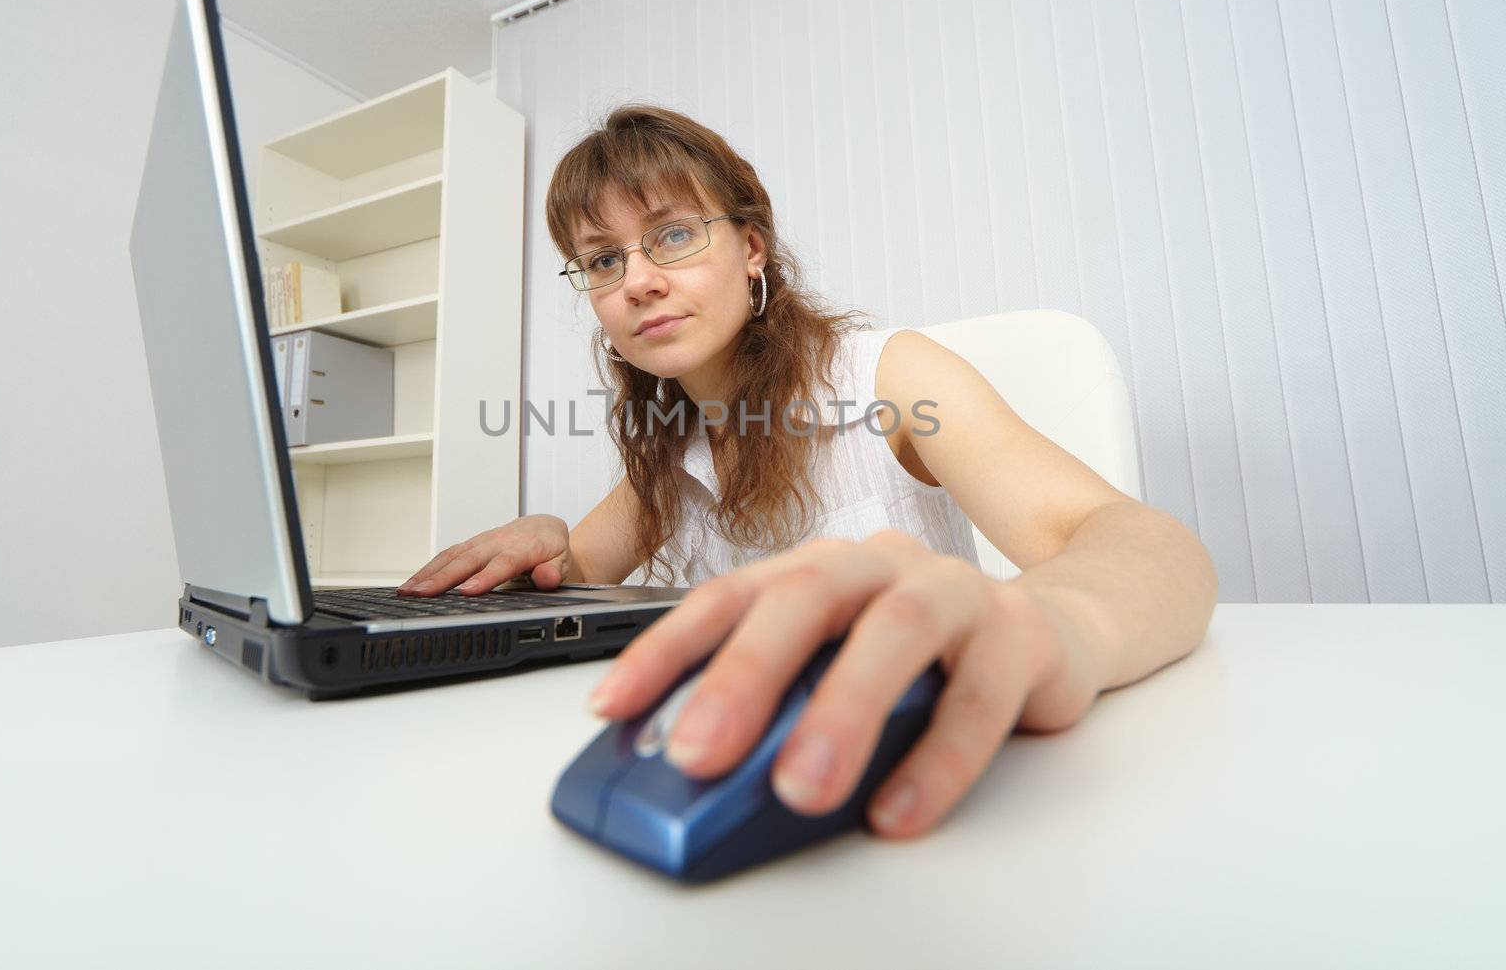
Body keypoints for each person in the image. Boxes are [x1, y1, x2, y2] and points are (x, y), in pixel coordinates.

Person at [399, 104, 1218, 839]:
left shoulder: (890, 379)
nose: (637, 281)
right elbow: (571, 570)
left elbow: (1145, 546)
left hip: (935, 805)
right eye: (602, 260)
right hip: (740, 775)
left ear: (751, 248)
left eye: (674, 235)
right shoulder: (666, 451)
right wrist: (548, 544)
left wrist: (1047, 626)